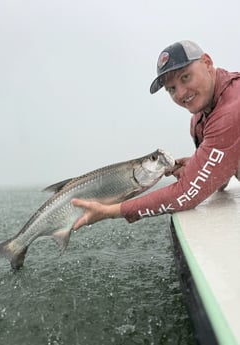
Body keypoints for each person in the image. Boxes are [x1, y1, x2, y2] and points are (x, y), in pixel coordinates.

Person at [72, 40, 240, 229]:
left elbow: (184, 194)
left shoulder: (230, 111)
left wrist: (110, 211)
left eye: (185, 77)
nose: (181, 93)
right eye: (172, 89)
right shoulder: (200, 117)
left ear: (207, 63)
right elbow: (220, 180)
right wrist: (198, 164)